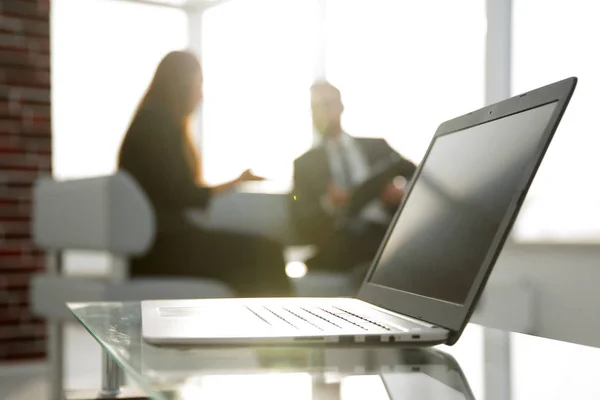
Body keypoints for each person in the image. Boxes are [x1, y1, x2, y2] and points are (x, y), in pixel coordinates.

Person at [118, 51, 290, 296]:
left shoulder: (150, 120)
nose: (200, 94)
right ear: (182, 83)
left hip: (150, 250)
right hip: (164, 250)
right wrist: (235, 182)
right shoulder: (159, 125)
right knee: (268, 253)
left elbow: (173, 191)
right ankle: (289, 333)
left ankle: (257, 332)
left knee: (249, 268)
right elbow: (185, 195)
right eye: (199, 83)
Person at [291, 81, 416, 272]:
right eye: (314, 108)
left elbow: (418, 174)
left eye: (325, 105)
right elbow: (301, 218)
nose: (319, 113)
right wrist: (330, 203)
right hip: (344, 238)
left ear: (340, 106)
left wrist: (402, 192)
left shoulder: (378, 147)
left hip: (390, 226)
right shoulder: (304, 164)